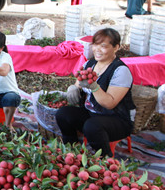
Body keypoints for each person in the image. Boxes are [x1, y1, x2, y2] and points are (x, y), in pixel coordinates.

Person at [55, 28, 136, 157]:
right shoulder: (90, 63)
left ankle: (105, 160)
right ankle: (71, 150)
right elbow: (79, 81)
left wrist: (94, 87)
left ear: (116, 48)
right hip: (92, 113)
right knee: (63, 114)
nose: (97, 49)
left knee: (92, 126)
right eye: (95, 44)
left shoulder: (120, 71)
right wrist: (74, 88)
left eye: (103, 46)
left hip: (116, 120)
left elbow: (109, 103)